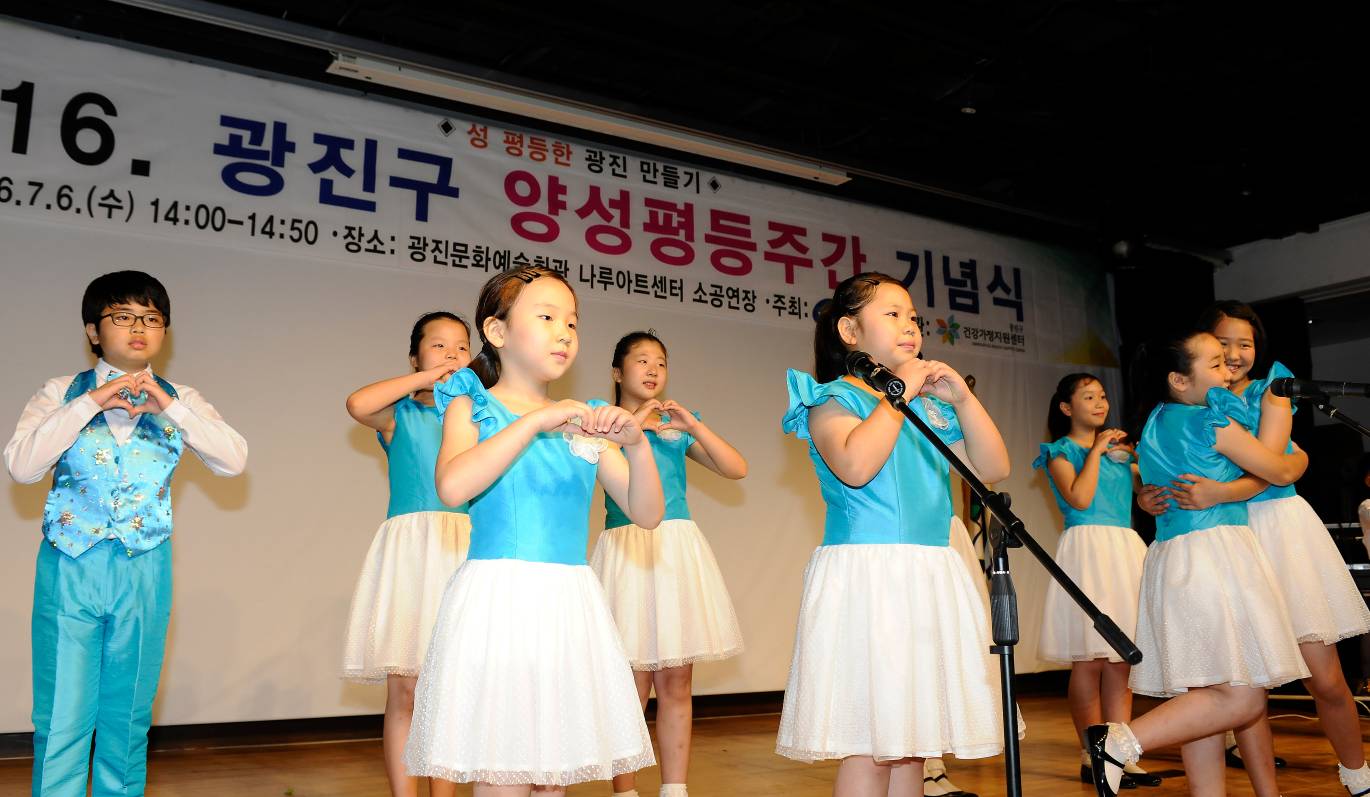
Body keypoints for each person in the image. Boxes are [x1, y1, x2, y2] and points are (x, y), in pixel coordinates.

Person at [404, 266, 664, 796]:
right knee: (506, 770)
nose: (564, 331)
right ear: (498, 333)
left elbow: (647, 513)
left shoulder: (583, 420)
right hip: (502, 598)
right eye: (546, 317)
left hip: (569, 603)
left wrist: (636, 446)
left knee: (553, 772)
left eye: (572, 321)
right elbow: (452, 486)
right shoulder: (471, 404)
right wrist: (533, 424)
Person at [4, 270, 247, 797]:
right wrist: (91, 402)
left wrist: (171, 407)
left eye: (151, 318)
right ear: (94, 330)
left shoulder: (179, 397)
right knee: (62, 714)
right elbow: (21, 467)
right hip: (70, 564)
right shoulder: (60, 392)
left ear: (164, 332)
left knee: (128, 714)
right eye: (123, 316)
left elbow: (233, 460)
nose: (139, 327)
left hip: (144, 567)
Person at [776, 272, 1013, 796]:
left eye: (914, 317)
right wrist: (896, 394)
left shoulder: (930, 407)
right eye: (892, 314)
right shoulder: (832, 398)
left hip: (930, 571)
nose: (910, 326)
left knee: (912, 744)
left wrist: (964, 402)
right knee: (871, 743)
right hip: (870, 575)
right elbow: (856, 465)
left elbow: (993, 467)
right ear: (849, 331)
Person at [592, 330, 747, 797]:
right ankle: (625, 790)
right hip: (627, 549)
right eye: (641, 361)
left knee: (677, 679)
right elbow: (601, 457)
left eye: (660, 361)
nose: (653, 369)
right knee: (630, 683)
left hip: (675, 550)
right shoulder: (602, 419)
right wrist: (636, 422)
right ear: (618, 372)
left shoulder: (676, 426)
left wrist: (693, 426)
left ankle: (674, 789)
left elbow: (735, 468)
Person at [341, 311, 474, 797]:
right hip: (413, 553)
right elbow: (358, 403)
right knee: (407, 689)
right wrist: (423, 380)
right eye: (438, 347)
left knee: (451, 692)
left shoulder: (479, 417)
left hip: (466, 551)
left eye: (461, 347)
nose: (452, 356)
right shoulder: (403, 416)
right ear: (415, 357)